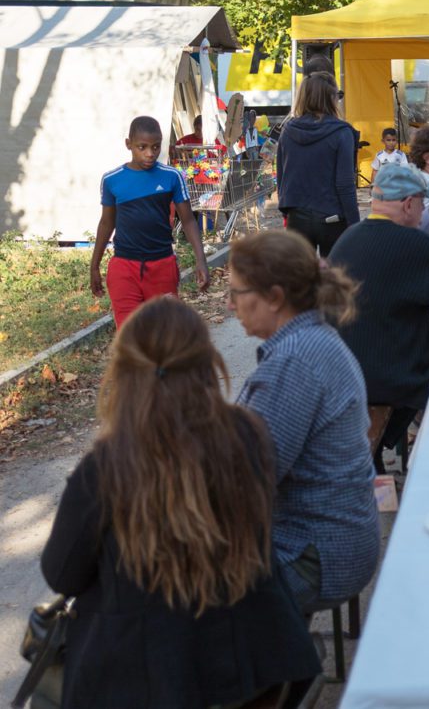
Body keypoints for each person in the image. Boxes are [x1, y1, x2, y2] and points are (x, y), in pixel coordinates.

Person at [38, 298, 318, 709]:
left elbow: (61, 575)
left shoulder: (106, 467)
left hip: (145, 683)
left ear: (125, 373)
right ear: (206, 362)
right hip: (251, 674)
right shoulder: (247, 435)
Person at [230, 230, 380, 615]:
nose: (232, 305)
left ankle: (282, 667)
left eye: (237, 293)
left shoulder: (294, 362)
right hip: (334, 539)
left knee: (166, 594)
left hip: (311, 552)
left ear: (275, 298)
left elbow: (246, 480)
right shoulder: (312, 339)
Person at [330, 165, 429, 465]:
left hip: (341, 375)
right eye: (422, 204)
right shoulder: (416, 243)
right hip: (394, 377)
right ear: (408, 204)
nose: (423, 213)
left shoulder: (347, 239)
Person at [90, 115, 210, 326]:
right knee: (130, 336)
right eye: (142, 147)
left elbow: (189, 220)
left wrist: (201, 260)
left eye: (155, 147)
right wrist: (94, 266)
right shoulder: (112, 180)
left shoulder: (171, 176)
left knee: (164, 334)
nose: (150, 154)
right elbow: (106, 224)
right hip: (124, 268)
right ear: (129, 144)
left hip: (162, 266)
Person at [276, 72, 360, 257]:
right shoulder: (342, 132)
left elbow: (282, 176)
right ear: (331, 98)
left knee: (300, 280)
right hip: (332, 218)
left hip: (297, 216)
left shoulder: (288, 130)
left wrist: (286, 211)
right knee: (334, 279)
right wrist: (355, 224)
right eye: (337, 95)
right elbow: (345, 183)